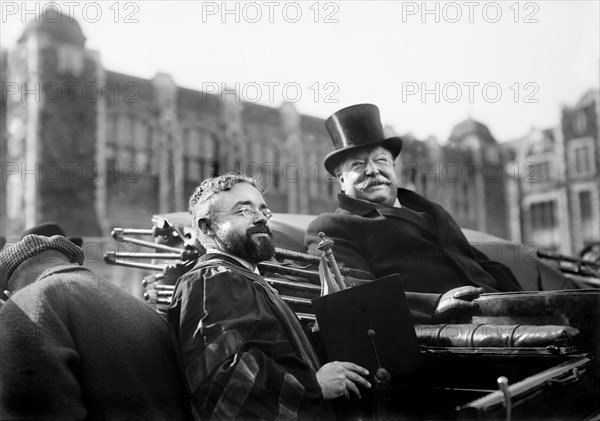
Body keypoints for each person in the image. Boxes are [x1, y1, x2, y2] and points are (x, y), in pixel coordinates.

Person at [168, 173, 371, 420]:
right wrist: (313, 386)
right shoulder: (212, 279)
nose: (261, 217)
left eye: (264, 210)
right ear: (207, 227)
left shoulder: (244, 280)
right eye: (244, 211)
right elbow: (226, 379)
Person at [305, 104, 522, 321]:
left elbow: (482, 265)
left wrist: (525, 302)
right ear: (342, 179)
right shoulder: (330, 228)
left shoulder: (431, 211)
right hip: (441, 335)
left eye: (381, 160)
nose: (372, 170)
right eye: (358, 164)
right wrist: (435, 305)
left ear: (393, 167)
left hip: (501, 313)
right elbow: (355, 293)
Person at [0, 234, 193, 420]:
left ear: (9, 295)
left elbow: (36, 409)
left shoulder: (29, 305)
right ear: (71, 262)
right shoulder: (142, 309)